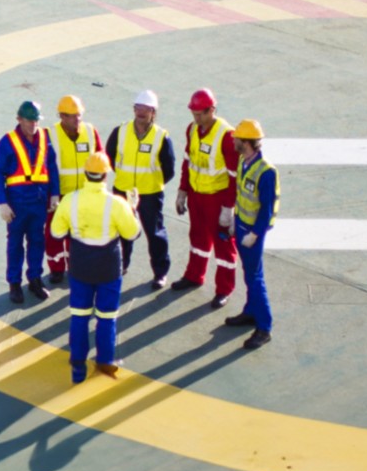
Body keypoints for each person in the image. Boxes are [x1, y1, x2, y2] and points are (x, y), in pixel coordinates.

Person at [50, 151, 142, 382]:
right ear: (105, 176)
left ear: (85, 174)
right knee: (107, 316)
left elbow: (56, 232)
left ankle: (78, 364)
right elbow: (133, 233)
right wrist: (133, 209)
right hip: (108, 267)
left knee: (79, 315)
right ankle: (105, 360)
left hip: (80, 264)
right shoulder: (117, 203)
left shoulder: (70, 200)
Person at [172, 87, 238, 306]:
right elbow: (187, 161)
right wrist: (183, 191)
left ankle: (224, 289)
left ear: (212, 110)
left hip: (217, 198)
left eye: (200, 114)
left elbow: (233, 176)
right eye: (194, 113)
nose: (196, 118)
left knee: (223, 245)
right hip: (196, 195)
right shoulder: (192, 129)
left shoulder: (227, 136)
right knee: (198, 238)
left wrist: (228, 208)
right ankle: (194, 275)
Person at [105, 90, 175, 289]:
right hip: (123, 191)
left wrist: (151, 183)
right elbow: (109, 157)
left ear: (154, 112)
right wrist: (124, 179)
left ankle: (160, 273)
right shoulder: (120, 131)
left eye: (146, 109)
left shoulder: (161, 137)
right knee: (121, 231)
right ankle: (121, 264)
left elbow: (169, 168)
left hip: (150, 194)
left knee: (155, 234)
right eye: (138, 108)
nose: (141, 112)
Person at [0, 100, 55, 304]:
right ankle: (14, 283)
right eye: (29, 120)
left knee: (37, 240)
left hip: (38, 201)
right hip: (17, 203)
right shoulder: (8, 142)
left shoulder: (45, 138)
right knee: (15, 243)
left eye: (35, 120)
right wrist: (2, 202)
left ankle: (35, 279)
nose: (33, 125)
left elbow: (52, 168)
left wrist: (54, 194)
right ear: (19, 119)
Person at [223, 119, 279, 348]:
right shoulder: (243, 161)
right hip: (243, 225)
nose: (234, 140)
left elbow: (266, 209)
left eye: (237, 138)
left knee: (255, 278)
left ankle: (264, 327)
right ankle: (251, 311)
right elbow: (242, 195)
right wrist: (235, 221)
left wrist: (255, 234)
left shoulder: (266, 172)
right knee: (248, 274)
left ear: (246, 143)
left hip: (253, 232)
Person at [43, 94, 104, 288]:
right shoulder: (49, 135)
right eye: (70, 116)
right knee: (54, 232)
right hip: (58, 195)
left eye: (78, 115)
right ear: (61, 116)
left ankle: (75, 265)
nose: (76, 119)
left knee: (80, 233)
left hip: (84, 195)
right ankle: (56, 268)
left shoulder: (90, 131)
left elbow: (101, 160)